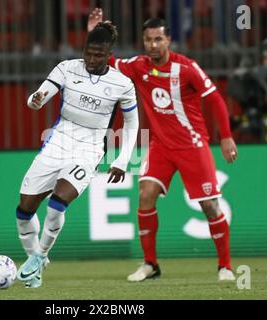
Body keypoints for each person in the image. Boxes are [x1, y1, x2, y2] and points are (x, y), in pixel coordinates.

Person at [88, 9, 238, 282]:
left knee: (210, 206)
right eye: (148, 40)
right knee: (145, 195)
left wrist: (226, 136)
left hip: (192, 145)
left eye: (158, 39)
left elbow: (215, 99)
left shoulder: (187, 68)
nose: (153, 44)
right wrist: (95, 34)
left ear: (169, 40)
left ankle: (225, 266)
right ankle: (150, 264)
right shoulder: (138, 66)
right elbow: (104, 62)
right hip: (161, 147)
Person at [15, 22, 139, 288]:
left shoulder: (122, 84)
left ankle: (41, 255)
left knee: (58, 201)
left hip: (89, 149)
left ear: (109, 55)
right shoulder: (66, 68)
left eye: (98, 55)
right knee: (24, 210)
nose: (92, 60)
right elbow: (41, 95)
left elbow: (132, 125)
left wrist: (121, 159)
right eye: (88, 53)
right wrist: (35, 99)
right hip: (57, 142)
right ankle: (34, 260)